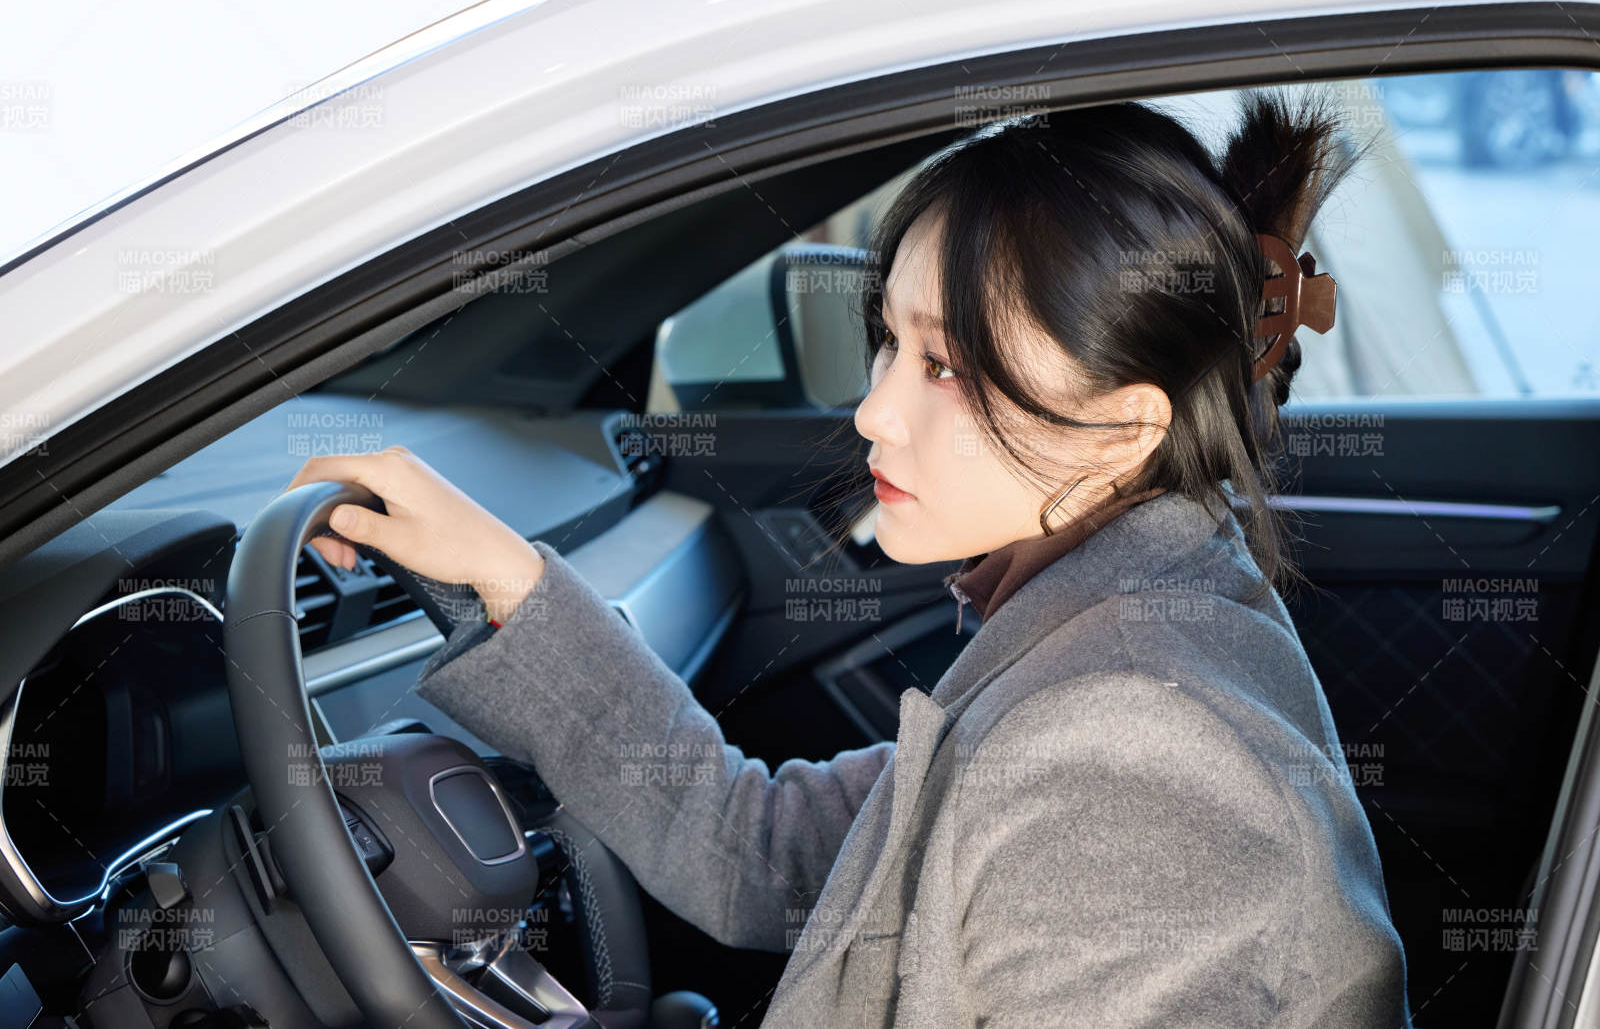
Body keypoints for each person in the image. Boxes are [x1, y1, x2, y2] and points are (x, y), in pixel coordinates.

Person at [285, 86, 1413, 1027]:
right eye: (889, 338)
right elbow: (757, 850)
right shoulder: (1114, 632)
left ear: (1119, 431)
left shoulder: (1130, 761)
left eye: (946, 366)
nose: (871, 410)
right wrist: (503, 576)